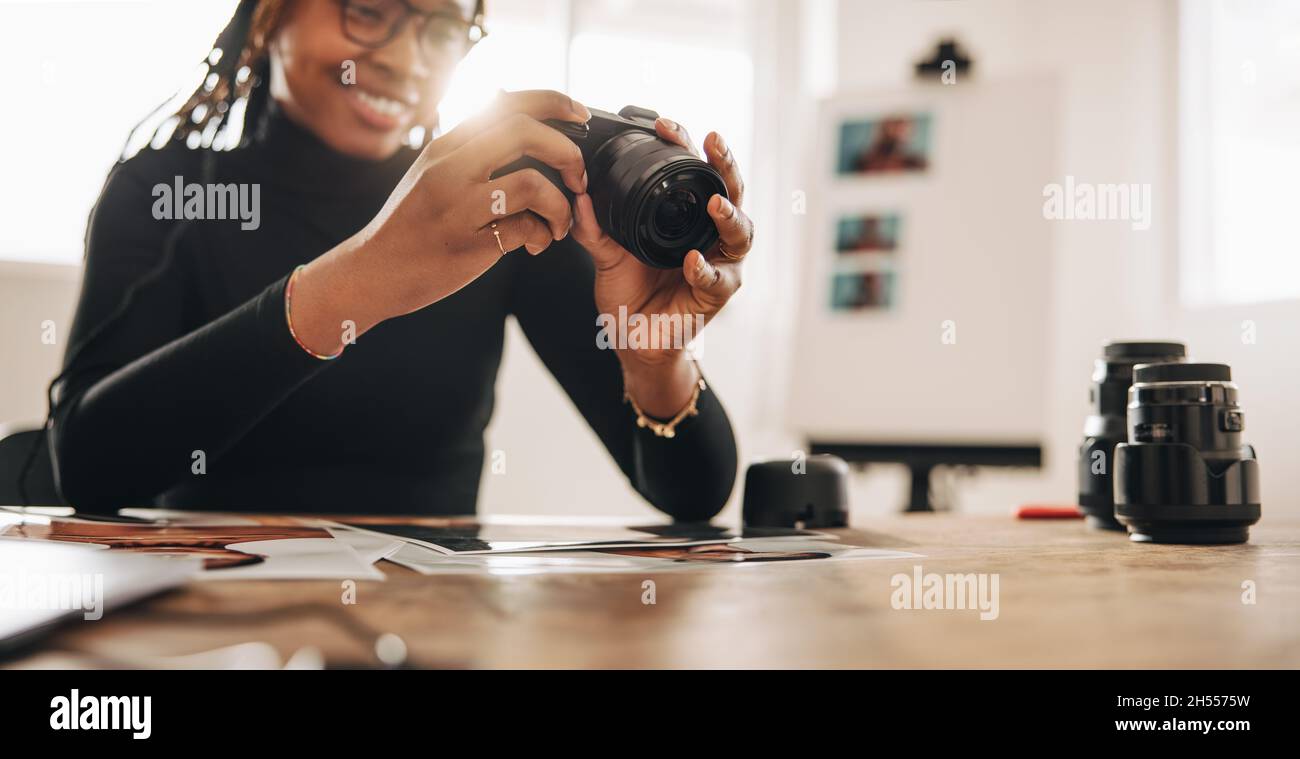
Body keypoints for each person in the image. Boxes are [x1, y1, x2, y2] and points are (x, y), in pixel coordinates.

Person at [48, 0, 754, 519]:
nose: (406, 57)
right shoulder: (168, 192)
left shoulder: (500, 202)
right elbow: (85, 465)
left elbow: (695, 495)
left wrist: (654, 358)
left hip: (435, 634)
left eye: (441, 28)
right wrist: (360, 281)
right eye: (367, 9)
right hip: (208, 630)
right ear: (269, 16)